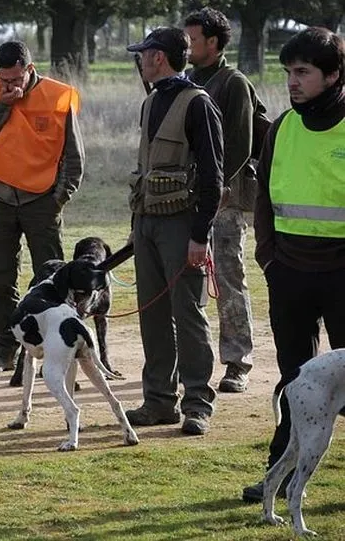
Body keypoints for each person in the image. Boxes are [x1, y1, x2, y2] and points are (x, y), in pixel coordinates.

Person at [242, 26, 345, 502]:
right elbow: (262, 199)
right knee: (292, 380)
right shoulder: (282, 127)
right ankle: (277, 478)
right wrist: (269, 259)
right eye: (288, 73)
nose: (292, 82)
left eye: (302, 73)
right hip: (289, 274)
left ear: (334, 74)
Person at [125, 27, 224, 436]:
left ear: (159, 58)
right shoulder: (150, 102)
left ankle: (197, 403)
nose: (140, 60)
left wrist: (199, 236)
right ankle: (159, 401)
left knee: (188, 314)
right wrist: (136, 227)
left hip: (182, 224)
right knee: (152, 314)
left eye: (143, 54)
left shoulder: (198, 104)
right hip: (147, 222)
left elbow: (214, 178)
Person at [0, 40, 85, 373]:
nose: (9, 85)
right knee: (1, 279)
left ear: (30, 70)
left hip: (42, 202)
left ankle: (57, 348)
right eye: (3, 79)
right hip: (0, 199)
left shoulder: (60, 96)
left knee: (51, 278)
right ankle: (3, 348)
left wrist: (59, 198)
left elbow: (75, 156)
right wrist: (2, 105)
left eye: (15, 80)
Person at [184, 7, 267, 394]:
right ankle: (192, 362)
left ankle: (237, 362)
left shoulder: (233, 83)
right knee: (190, 278)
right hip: (192, 197)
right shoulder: (187, 80)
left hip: (227, 200)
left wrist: (214, 193)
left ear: (213, 43)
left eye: (193, 40)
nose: (186, 46)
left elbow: (238, 147)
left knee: (228, 279)